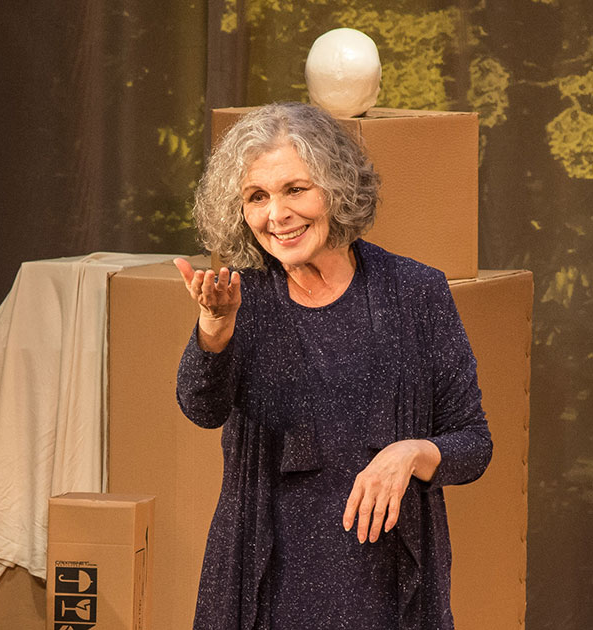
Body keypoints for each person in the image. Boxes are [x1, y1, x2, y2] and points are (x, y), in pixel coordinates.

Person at [175, 102, 492, 630]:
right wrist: (214, 327)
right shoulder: (241, 299)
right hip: (267, 584)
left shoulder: (416, 292)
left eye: (295, 189)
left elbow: (474, 443)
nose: (277, 215)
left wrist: (411, 452)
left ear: (337, 188)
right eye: (257, 197)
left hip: (386, 584)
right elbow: (201, 408)